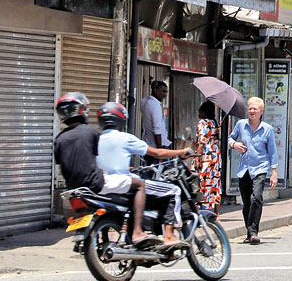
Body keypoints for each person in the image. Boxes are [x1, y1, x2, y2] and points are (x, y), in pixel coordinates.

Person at [53, 93, 159, 246]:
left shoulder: (59, 139)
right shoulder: (91, 132)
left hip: (74, 189)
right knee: (139, 185)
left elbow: (65, 164)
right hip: (96, 183)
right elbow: (97, 159)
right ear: (82, 110)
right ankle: (137, 231)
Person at [96, 102, 192, 250]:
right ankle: (168, 236)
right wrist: (180, 152)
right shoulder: (125, 138)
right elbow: (157, 153)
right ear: (121, 119)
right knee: (173, 191)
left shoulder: (97, 139)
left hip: (103, 185)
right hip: (124, 183)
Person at [227, 97, 278, 245]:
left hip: (260, 168)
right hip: (245, 169)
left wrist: (273, 172)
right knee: (247, 203)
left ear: (261, 111)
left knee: (256, 197)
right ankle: (250, 233)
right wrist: (235, 144)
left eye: (255, 109)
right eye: (250, 108)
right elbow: (230, 138)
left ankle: (254, 232)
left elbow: (272, 152)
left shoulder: (267, 129)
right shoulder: (241, 125)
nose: (252, 111)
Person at [195, 101, 222, 212]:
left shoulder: (203, 123)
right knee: (215, 183)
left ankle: (201, 209)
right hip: (215, 154)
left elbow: (201, 142)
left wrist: (197, 158)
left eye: (200, 110)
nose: (198, 113)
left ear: (204, 112)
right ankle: (216, 213)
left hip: (206, 154)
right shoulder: (214, 123)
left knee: (201, 181)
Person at [140, 81, 171, 164]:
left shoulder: (145, 101)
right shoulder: (155, 106)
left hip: (148, 145)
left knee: (148, 171)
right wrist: (160, 151)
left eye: (166, 92)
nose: (165, 95)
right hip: (158, 146)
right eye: (163, 91)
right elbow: (157, 130)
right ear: (155, 90)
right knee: (166, 173)